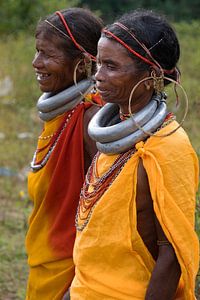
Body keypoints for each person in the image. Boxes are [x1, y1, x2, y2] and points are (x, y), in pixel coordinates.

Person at [71, 9, 199, 300]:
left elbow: (173, 255)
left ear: (151, 75)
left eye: (111, 67)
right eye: (99, 64)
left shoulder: (168, 147)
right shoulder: (113, 134)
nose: (98, 77)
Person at [25, 7, 103, 300]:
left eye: (48, 55)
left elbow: (105, 213)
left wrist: (78, 288)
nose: (36, 63)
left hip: (71, 277)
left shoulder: (91, 121)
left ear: (82, 63)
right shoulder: (62, 114)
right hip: (45, 267)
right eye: (36, 52)